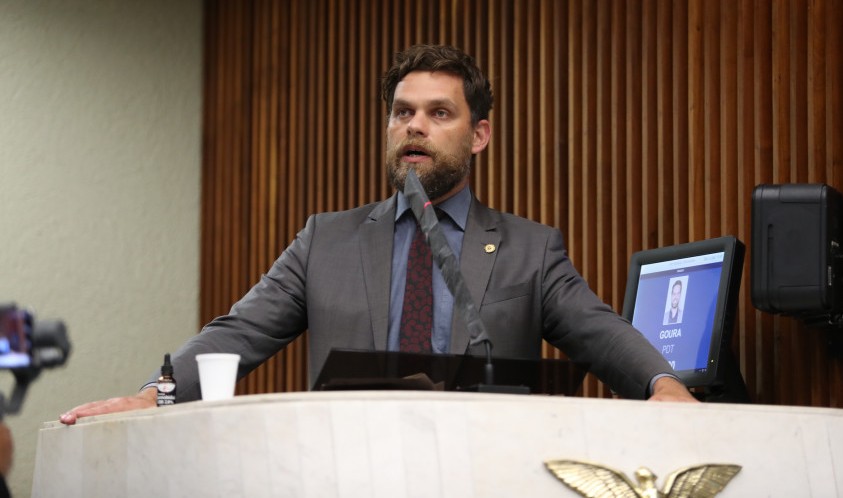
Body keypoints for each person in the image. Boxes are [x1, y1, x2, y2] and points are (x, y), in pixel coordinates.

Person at [61, 44, 694, 424]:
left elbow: (599, 328)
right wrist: (153, 395)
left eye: (439, 113)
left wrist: (663, 387)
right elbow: (237, 332)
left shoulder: (530, 248)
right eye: (402, 112)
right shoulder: (324, 241)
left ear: (479, 136)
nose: (415, 126)